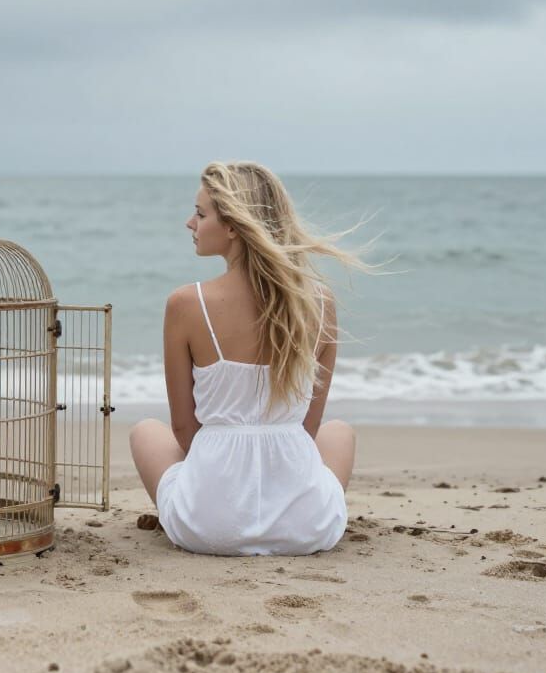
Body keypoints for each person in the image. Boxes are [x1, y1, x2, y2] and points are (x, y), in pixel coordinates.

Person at [129, 160, 378, 556]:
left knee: (145, 430)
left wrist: (226, 476)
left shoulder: (186, 304)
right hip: (307, 527)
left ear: (232, 226)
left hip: (209, 527)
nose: (189, 223)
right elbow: (308, 430)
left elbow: (183, 429)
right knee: (339, 432)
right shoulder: (319, 303)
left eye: (200, 213)